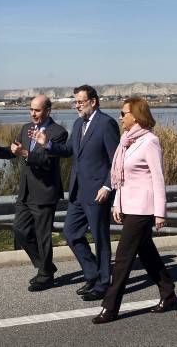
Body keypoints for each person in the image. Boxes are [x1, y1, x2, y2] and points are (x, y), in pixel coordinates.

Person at [92, 96, 177, 324]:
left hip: (143, 208)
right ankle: (168, 293)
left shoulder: (150, 141)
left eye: (123, 114)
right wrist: (117, 203)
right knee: (147, 253)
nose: (119, 118)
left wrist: (160, 212)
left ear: (135, 116)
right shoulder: (126, 141)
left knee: (123, 257)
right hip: (128, 205)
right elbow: (120, 177)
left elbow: (158, 178)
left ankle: (110, 307)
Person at [31, 85, 119, 301]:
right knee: (71, 233)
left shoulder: (106, 123)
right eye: (75, 102)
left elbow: (116, 161)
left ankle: (103, 284)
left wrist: (107, 186)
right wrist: (47, 144)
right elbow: (69, 150)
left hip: (98, 192)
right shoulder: (79, 123)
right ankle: (92, 274)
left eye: (80, 101)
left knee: (100, 238)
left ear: (93, 101)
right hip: (78, 192)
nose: (77, 106)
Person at [0, 94, 68, 292]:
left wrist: (25, 154)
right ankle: (46, 267)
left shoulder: (58, 132)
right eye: (31, 109)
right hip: (25, 192)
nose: (33, 114)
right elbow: (15, 151)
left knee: (42, 235)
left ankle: (45, 276)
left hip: (45, 192)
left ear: (48, 111)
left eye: (37, 110)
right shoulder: (26, 128)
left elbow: (47, 161)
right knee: (20, 230)